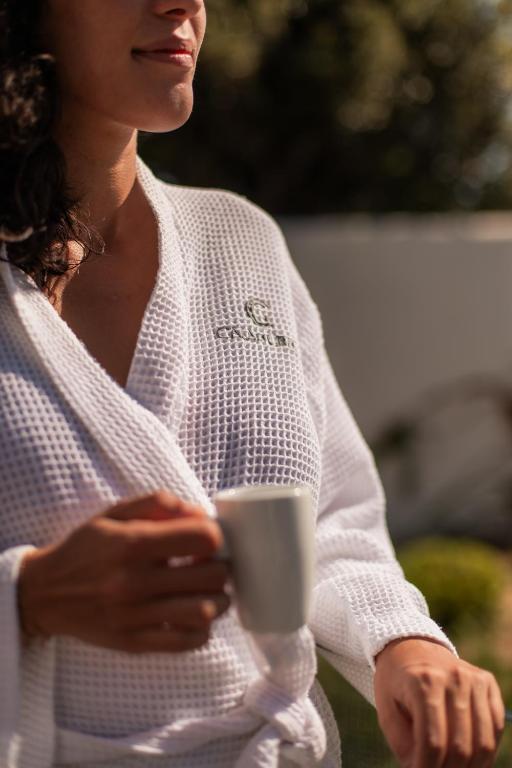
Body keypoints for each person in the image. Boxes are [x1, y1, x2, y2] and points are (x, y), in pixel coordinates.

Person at [0, 1, 505, 767]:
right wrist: (28, 599)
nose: (183, 3)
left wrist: (403, 643)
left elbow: (331, 522)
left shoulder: (241, 242)